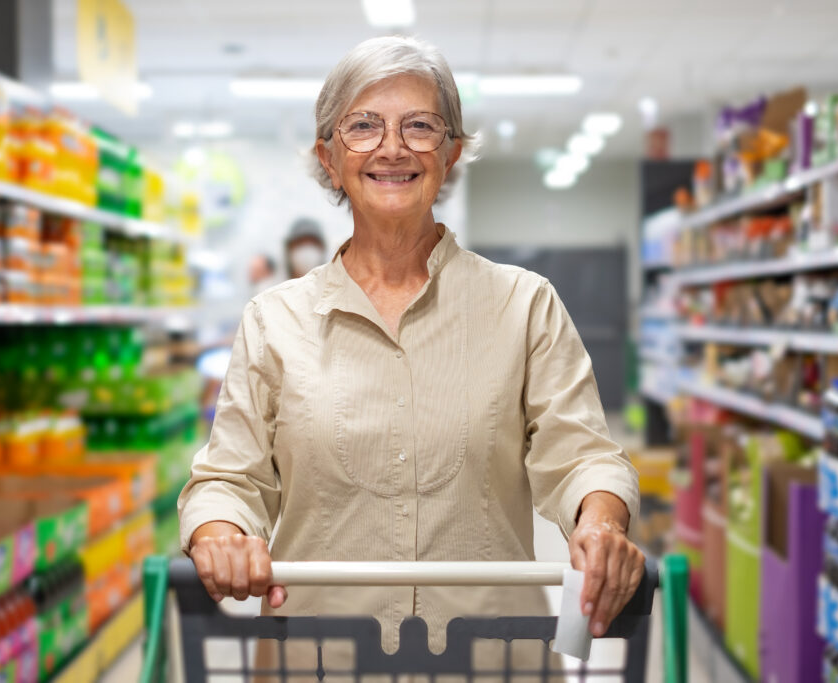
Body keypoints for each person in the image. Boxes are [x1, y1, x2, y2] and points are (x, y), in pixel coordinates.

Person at [178, 35, 642, 671]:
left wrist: (601, 524)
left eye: (419, 127)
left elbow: (584, 457)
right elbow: (228, 479)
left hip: (489, 658)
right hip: (320, 660)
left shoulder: (523, 305)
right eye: (363, 126)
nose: (391, 147)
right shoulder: (274, 321)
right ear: (329, 157)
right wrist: (221, 533)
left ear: (449, 154)